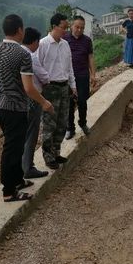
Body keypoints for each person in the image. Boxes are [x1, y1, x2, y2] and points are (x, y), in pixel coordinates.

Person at [0, 14, 53, 202]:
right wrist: (44, 102)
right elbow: (28, 87)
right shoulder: (23, 54)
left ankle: (18, 180)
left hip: (0, 107)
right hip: (16, 108)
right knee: (12, 148)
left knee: (17, 146)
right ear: (20, 30)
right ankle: (9, 191)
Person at [35, 13, 77, 170]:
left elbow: (69, 66)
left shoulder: (65, 44)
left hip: (64, 87)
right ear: (54, 27)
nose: (65, 31)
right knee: (49, 123)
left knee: (62, 122)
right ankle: (48, 156)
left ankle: (56, 151)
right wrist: (41, 91)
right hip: (50, 88)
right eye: (63, 27)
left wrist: (73, 85)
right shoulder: (43, 44)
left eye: (66, 27)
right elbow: (36, 68)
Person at [20, 27, 49, 179]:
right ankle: (28, 167)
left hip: (18, 101)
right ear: (35, 41)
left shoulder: (15, 53)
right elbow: (44, 77)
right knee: (32, 133)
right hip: (32, 98)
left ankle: (21, 166)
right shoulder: (30, 56)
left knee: (22, 134)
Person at [63, 15, 96, 140]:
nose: (79, 30)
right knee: (69, 103)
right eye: (77, 27)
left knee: (82, 101)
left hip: (82, 75)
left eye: (82, 28)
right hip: (67, 77)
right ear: (72, 26)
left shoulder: (87, 41)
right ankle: (70, 128)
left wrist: (93, 74)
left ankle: (83, 123)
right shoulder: (64, 38)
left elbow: (90, 58)